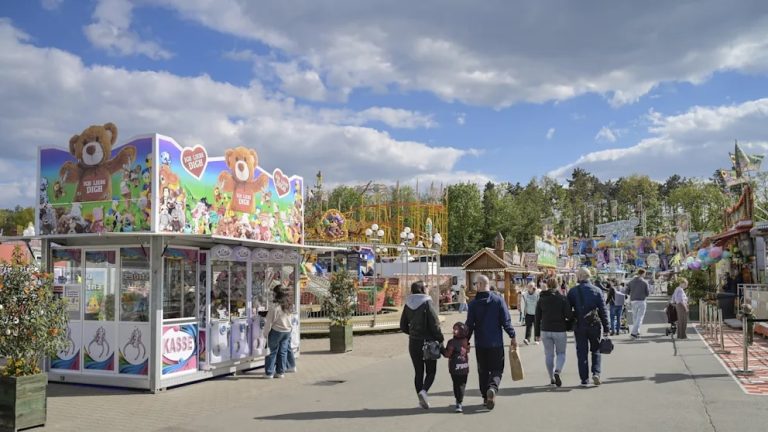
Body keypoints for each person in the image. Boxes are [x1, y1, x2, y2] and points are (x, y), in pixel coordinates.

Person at [465, 275, 518, 410]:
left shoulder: (473, 304)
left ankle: (485, 396)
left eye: (477, 284)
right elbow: (506, 321)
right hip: (496, 343)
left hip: (481, 343)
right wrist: (512, 335)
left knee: (483, 371)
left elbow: (469, 325)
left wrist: (466, 341)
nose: (476, 286)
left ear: (480, 285)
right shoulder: (498, 300)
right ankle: (493, 388)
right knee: (497, 369)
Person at [400, 280, 444, 409]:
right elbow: (435, 324)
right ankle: (424, 392)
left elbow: (403, 326)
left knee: (418, 372)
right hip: (428, 342)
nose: (428, 288)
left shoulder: (407, 304)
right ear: (422, 289)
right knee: (431, 371)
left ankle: (421, 400)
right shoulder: (427, 303)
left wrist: (413, 334)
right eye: (426, 286)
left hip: (414, 342)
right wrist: (440, 340)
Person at [567, 268, 610, 387]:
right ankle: (596, 373)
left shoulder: (573, 291)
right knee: (596, 350)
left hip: (579, 325)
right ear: (589, 276)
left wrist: (570, 320)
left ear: (579, 276)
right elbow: (603, 310)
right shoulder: (597, 291)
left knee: (582, 352)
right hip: (594, 324)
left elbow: (567, 310)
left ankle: (584, 379)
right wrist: (606, 328)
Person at [534, 279, 572, 387]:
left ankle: (551, 378)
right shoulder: (562, 298)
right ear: (557, 286)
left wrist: (536, 334)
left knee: (549, 355)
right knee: (561, 353)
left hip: (545, 330)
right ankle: (557, 371)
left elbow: (537, 318)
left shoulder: (541, 299)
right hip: (559, 329)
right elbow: (568, 315)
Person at [263, 285, 293, 379]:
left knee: (272, 352)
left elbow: (269, 322)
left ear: (276, 294)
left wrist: (265, 333)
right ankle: (280, 372)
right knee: (283, 352)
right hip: (287, 331)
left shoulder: (274, 307)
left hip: (277, 331)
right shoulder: (288, 305)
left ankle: (269, 373)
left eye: (273, 293)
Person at [445, 322, 471, 413]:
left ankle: (458, 402)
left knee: (457, 385)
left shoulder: (451, 342)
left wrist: (440, 348)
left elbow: (447, 354)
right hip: (464, 368)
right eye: (454, 329)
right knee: (462, 385)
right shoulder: (466, 341)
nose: (454, 331)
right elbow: (467, 350)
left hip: (454, 369)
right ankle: (459, 401)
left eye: (456, 329)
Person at [626, 269, 650, 339]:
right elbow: (647, 293)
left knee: (635, 317)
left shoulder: (631, 282)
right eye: (645, 274)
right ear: (642, 274)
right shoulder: (645, 282)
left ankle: (637, 331)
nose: (645, 275)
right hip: (642, 301)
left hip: (633, 301)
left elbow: (627, 291)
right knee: (640, 317)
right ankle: (633, 333)